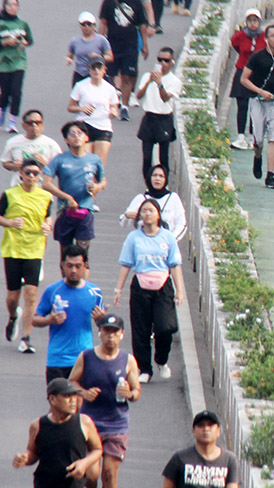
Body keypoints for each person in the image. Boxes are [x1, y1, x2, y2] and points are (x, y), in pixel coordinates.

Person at [70, 314, 142, 488]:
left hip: (117, 424)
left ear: (121, 335)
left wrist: (130, 393)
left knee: (109, 473)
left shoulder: (128, 361)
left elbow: (137, 390)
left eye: (115, 332)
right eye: (106, 331)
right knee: (91, 475)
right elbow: (71, 381)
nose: (110, 336)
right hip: (90, 423)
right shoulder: (87, 357)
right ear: (99, 333)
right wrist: (83, 392)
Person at [113, 198, 187, 381]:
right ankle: (144, 369)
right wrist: (118, 289)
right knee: (140, 330)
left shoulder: (167, 237)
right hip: (140, 286)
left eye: (151, 211)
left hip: (163, 286)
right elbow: (126, 264)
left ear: (158, 214)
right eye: (144, 211)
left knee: (165, 327)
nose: (147, 214)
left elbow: (175, 265)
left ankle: (161, 360)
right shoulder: (134, 238)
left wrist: (180, 291)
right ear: (140, 216)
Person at [0, 160, 55, 354]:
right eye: (28, 173)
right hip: (13, 249)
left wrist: (48, 225)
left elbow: (48, 216)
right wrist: (10, 223)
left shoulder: (46, 196)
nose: (32, 177)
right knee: (13, 296)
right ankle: (13, 315)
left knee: (31, 294)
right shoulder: (9, 194)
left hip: (34, 250)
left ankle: (26, 338)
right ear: (20, 174)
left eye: (36, 174)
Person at [34, 244, 107, 383]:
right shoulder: (53, 290)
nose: (73, 270)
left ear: (85, 265)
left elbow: (103, 327)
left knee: (81, 402)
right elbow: (35, 319)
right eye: (69, 265)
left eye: (78, 266)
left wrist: (100, 320)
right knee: (58, 404)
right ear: (62, 265)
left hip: (84, 360)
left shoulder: (94, 292)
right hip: (57, 360)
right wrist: (50, 320)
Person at [240, 25, 274, 190]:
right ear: (266, 38)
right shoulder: (257, 58)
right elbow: (244, 79)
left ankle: (270, 175)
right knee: (258, 140)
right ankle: (258, 157)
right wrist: (260, 92)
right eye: (273, 35)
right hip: (258, 102)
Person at [43, 120, 107, 257]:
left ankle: (83, 279)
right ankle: (66, 278)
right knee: (66, 255)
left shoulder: (94, 160)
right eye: (72, 134)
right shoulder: (60, 160)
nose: (76, 136)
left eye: (80, 133)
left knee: (83, 255)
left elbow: (103, 181)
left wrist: (97, 187)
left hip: (86, 211)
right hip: (66, 211)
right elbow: (46, 183)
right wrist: (67, 198)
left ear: (86, 138)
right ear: (66, 139)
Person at [99, 0, 150, 112]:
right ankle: (113, 100)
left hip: (130, 46)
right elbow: (103, 22)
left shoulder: (136, 3)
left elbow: (142, 25)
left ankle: (125, 106)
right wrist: (100, 42)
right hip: (112, 46)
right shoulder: (108, 2)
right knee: (110, 75)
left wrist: (145, 45)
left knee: (128, 76)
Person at [136, 47, 184, 175]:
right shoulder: (148, 76)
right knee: (146, 158)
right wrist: (149, 82)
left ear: (172, 62)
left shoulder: (175, 81)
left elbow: (165, 98)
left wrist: (159, 84)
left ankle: (164, 186)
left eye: (166, 60)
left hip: (164, 119)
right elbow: (139, 96)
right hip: (149, 117)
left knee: (163, 157)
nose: (162, 63)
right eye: (160, 60)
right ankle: (148, 186)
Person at [0, 0, 33, 134]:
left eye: (16, 5)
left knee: (16, 91)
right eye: (10, 5)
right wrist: (6, 42)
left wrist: (24, 43)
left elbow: (29, 40)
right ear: (5, 7)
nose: (13, 8)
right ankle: (2, 108)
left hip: (19, 61)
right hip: (3, 62)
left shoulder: (23, 23)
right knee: (5, 92)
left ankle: (13, 121)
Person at [68, 57, 121, 163]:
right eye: (93, 68)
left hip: (103, 126)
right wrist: (81, 108)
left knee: (98, 163)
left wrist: (114, 112)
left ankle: (98, 180)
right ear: (89, 70)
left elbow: (114, 106)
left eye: (99, 68)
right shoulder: (81, 86)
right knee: (85, 161)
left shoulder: (110, 88)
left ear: (104, 70)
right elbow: (70, 107)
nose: (96, 71)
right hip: (85, 125)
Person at [228, 10, 267, 149]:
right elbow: (235, 45)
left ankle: (252, 136)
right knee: (242, 104)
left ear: (259, 22)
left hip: (257, 74)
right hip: (242, 71)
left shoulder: (264, 36)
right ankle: (240, 136)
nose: (252, 24)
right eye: (250, 21)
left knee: (255, 106)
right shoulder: (240, 36)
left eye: (255, 21)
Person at [122, 164, 188, 240]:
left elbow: (182, 223)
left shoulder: (173, 198)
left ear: (165, 179)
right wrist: (127, 216)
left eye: (161, 176)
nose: (157, 178)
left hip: (166, 246)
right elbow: (123, 223)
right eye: (154, 175)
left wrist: (172, 240)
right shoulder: (141, 198)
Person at [1, 109, 62, 186]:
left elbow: (60, 168)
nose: (34, 126)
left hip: (42, 190)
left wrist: (45, 163)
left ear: (42, 126)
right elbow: (5, 162)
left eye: (38, 123)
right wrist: (16, 166)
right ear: (24, 126)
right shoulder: (13, 142)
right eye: (30, 123)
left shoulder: (51, 144)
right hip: (19, 188)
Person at [67, 11, 112, 88]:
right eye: (83, 25)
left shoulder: (101, 40)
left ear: (94, 25)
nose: (86, 27)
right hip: (80, 74)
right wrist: (69, 60)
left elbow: (110, 57)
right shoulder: (75, 41)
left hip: (96, 73)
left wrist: (99, 57)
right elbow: (69, 55)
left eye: (89, 24)